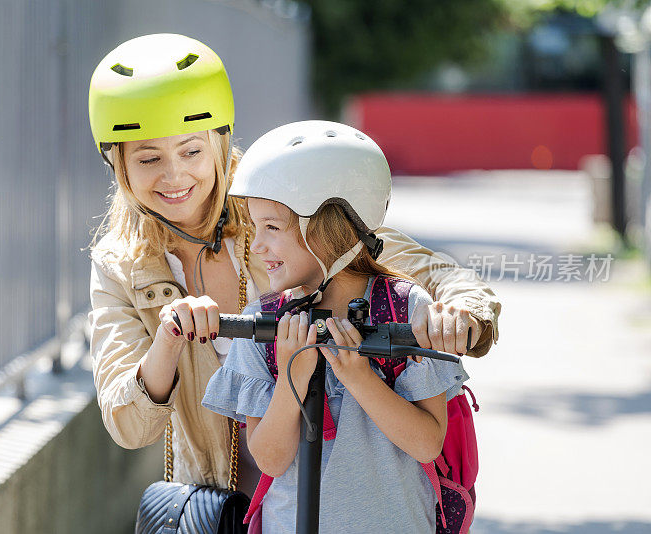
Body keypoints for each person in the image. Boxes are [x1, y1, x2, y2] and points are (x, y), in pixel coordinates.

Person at [88, 34, 500, 497]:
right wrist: (168, 337)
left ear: (220, 142)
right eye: (148, 158)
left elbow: (426, 269)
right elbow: (129, 426)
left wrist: (463, 315)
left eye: (191, 151)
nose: (175, 175)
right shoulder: (121, 263)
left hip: (328, 500)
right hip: (221, 503)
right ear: (117, 162)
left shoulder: (279, 205)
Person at [201, 120, 467, 532]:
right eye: (256, 228)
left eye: (272, 227)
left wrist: (360, 377)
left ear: (329, 229)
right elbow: (270, 460)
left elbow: (427, 443)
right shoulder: (264, 325)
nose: (257, 245)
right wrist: (293, 374)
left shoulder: (404, 308)